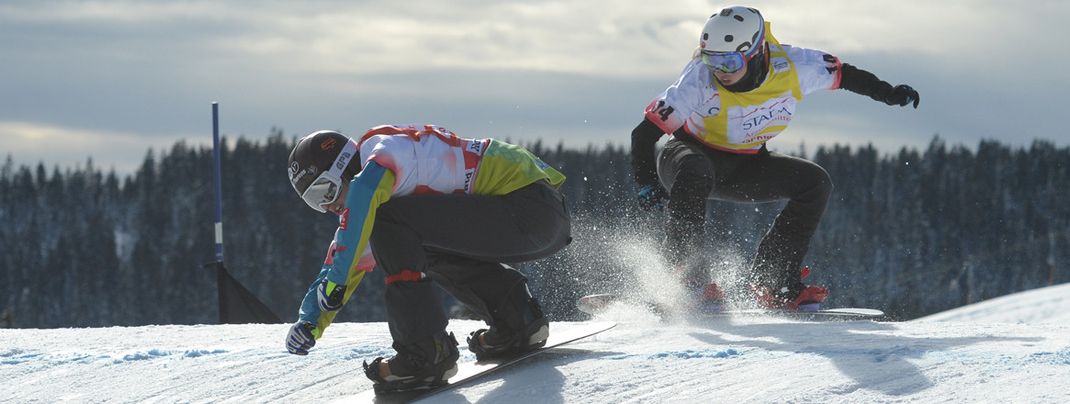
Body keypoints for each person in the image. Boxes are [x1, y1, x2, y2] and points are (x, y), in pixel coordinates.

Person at [630, 6, 919, 311]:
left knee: (815, 182)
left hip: (746, 166)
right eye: (711, 59)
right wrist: (646, 181)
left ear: (756, 51)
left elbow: (845, 75)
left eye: (729, 61)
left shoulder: (795, 66)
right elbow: (644, 134)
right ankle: (686, 277)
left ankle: (775, 280)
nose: (721, 71)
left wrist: (887, 93)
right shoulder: (698, 79)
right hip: (686, 157)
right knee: (697, 167)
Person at [283, 124, 571, 393]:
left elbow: (359, 212)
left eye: (325, 191)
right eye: (314, 202)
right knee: (412, 240)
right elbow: (346, 256)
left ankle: (424, 352)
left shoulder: (382, 157)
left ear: (344, 168)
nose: (327, 206)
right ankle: (516, 319)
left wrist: (334, 285)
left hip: (528, 205)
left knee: (388, 223)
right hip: (538, 215)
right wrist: (309, 321)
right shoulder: (378, 200)